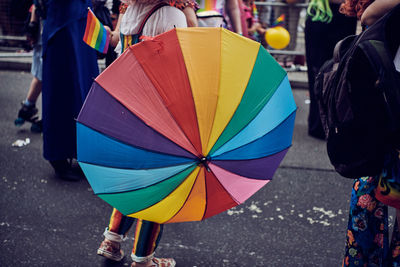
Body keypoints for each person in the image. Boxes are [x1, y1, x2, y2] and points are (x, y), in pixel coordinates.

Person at [96, 1, 189, 266]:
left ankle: (112, 240)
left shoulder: (128, 8)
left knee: (132, 175)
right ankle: (143, 259)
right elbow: (187, 62)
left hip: (128, 104)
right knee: (160, 180)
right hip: (160, 109)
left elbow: (114, 43)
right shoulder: (172, 13)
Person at [339, 0, 400, 266]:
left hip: (389, 98)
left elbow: (370, 14)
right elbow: (369, 14)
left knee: (371, 190)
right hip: (391, 96)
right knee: (370, 190)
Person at [41, 0, 99, 181]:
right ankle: (59, 155)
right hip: (64, 24)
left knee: (83, 90)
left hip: (79, 20)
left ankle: (79, 151)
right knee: (63, 90)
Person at [305, 0, 357, 140]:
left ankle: (333, 125)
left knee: (340, 72)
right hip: (321, 16)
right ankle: (321, 125)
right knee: (319, 73)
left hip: (342, 15)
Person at [15, 4, 44, 133]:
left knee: (40, 75)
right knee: (46, 76)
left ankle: (27, 107)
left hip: (42, 31)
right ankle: (44, 116)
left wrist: (33, 24)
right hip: (48, 33)